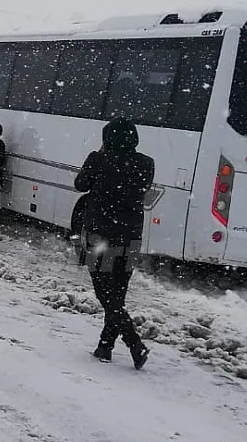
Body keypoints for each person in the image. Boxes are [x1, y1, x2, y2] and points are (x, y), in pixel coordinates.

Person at [74, 117, 154, 370]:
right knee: (117, 293)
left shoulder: (98, 159)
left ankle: (133, 343)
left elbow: (80, 185)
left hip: (100, 236)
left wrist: (99, 157)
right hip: (130, 238)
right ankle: (105, 346)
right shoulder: (146, 163)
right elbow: (142, 187)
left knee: (105, 294)